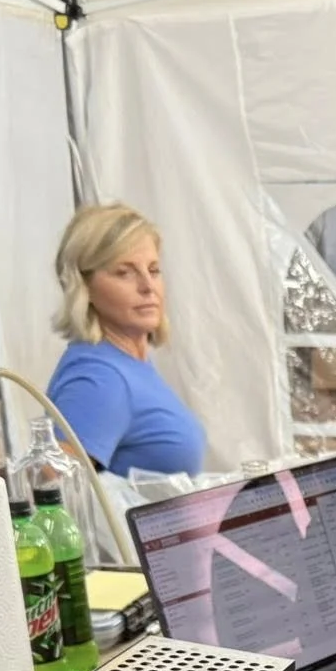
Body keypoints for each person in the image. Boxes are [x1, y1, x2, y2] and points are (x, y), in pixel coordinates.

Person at [46, 202, 205, 477]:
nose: (147, 286)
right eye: (124, 272)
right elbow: (54, 489)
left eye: (153, 270)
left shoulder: (128, 362)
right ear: (84, 287)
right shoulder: (99, 377)